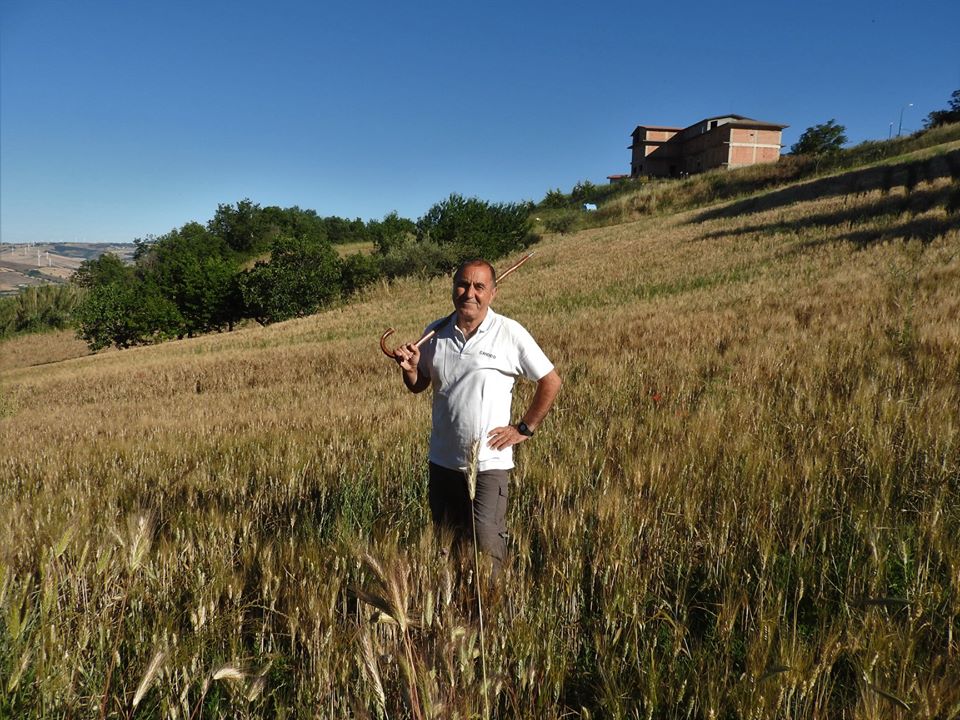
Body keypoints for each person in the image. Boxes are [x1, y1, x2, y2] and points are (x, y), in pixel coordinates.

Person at [393, 259, 562, 578]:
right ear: (453, 288)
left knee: (487, 552)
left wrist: (525, 428)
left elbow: (550, 381)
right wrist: (413, 369)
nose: (469, 293)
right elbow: (420, 385)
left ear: (493, 294)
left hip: (488, 466)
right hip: (443, 462)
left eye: (479, 286)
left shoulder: (509, 333)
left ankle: (489, 620)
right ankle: (453, 618)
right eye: (462, 284)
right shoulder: (435, 332)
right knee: (447, 552)